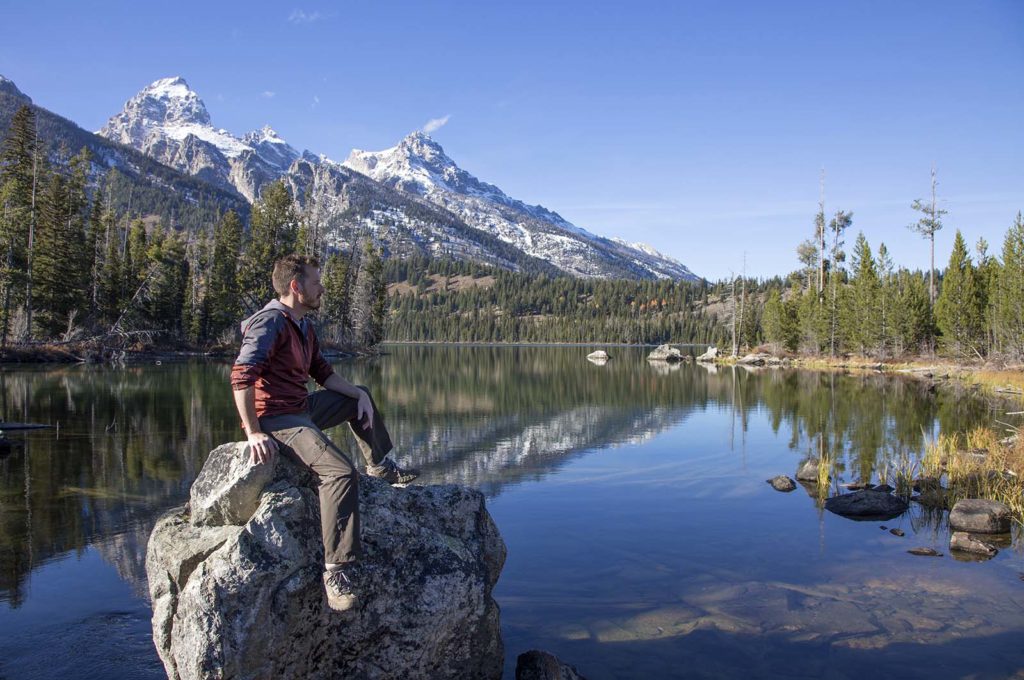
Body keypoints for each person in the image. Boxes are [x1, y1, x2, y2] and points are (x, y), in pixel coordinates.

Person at [230, 253, 418, 612]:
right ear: (295, 287)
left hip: (302, 408)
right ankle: (337, 569)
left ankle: (380, 465)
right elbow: (242, 376)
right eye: (317, 282)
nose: (323, 288)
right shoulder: (269, 323)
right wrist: (253, 432)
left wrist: (358, 395)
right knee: (339, 472)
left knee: (359, 393)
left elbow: (323, 374)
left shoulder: (302, 325)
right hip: (279, 420)